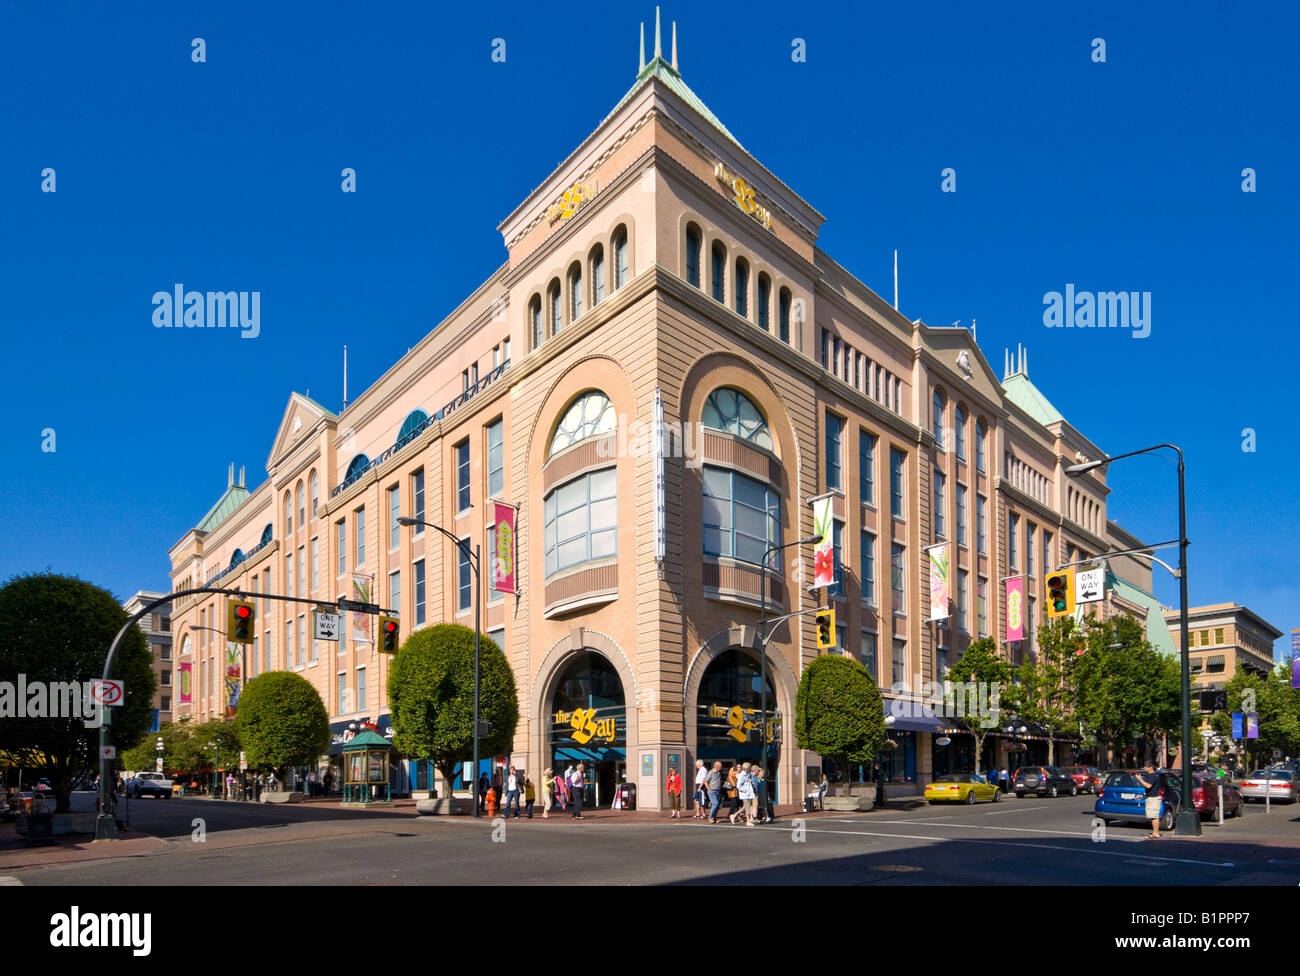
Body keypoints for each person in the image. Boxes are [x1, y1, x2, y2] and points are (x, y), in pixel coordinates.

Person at [1136, 763, 1163, 839]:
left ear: (1151, 767)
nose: (1144, 767)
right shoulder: (1151, 776)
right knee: (1152, 816)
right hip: (1150, 797)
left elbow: (1148, 785)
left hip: (1154, 798)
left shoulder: (1153, 776)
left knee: (1154, 816)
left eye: (1146, 766)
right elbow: (1150, 789)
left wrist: (1140, 779)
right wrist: (1143, 795)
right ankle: (1155, 833)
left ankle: (1156, 833)